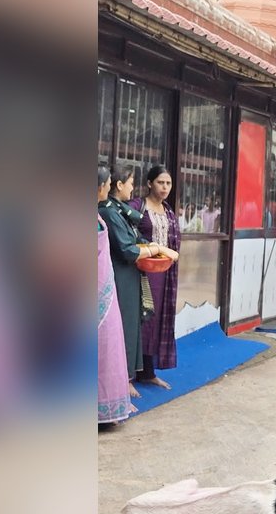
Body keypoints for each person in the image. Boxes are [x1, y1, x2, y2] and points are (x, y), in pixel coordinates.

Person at [98, 165, 174, 399]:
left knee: (132, 326)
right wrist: (155, 249)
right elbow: (126, 248)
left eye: (168, 183)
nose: (132, 188)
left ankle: (132, 375)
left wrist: (155, 249)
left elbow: (135, 237)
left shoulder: (119, 210)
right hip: (120, 276)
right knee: (123, 328)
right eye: (130, 183)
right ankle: (123, 380)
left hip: (132, 274)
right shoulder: (109, 212)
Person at [129, 165, 180, 390]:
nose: (165, 187)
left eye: (168, 183)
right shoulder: (136, 207)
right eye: (160, 182)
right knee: (139, 321)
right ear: (149, 183)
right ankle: (128, 375)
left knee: (156, 321)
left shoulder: (168, 211)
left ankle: (148, 372)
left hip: (163, 276)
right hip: (140, 273)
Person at [97, 166, 132, 424]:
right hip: (98, 295)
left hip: (104, 293)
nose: (109, 188)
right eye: (108, 184)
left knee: (106, 350)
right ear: (100, 187)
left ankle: (107, 408)